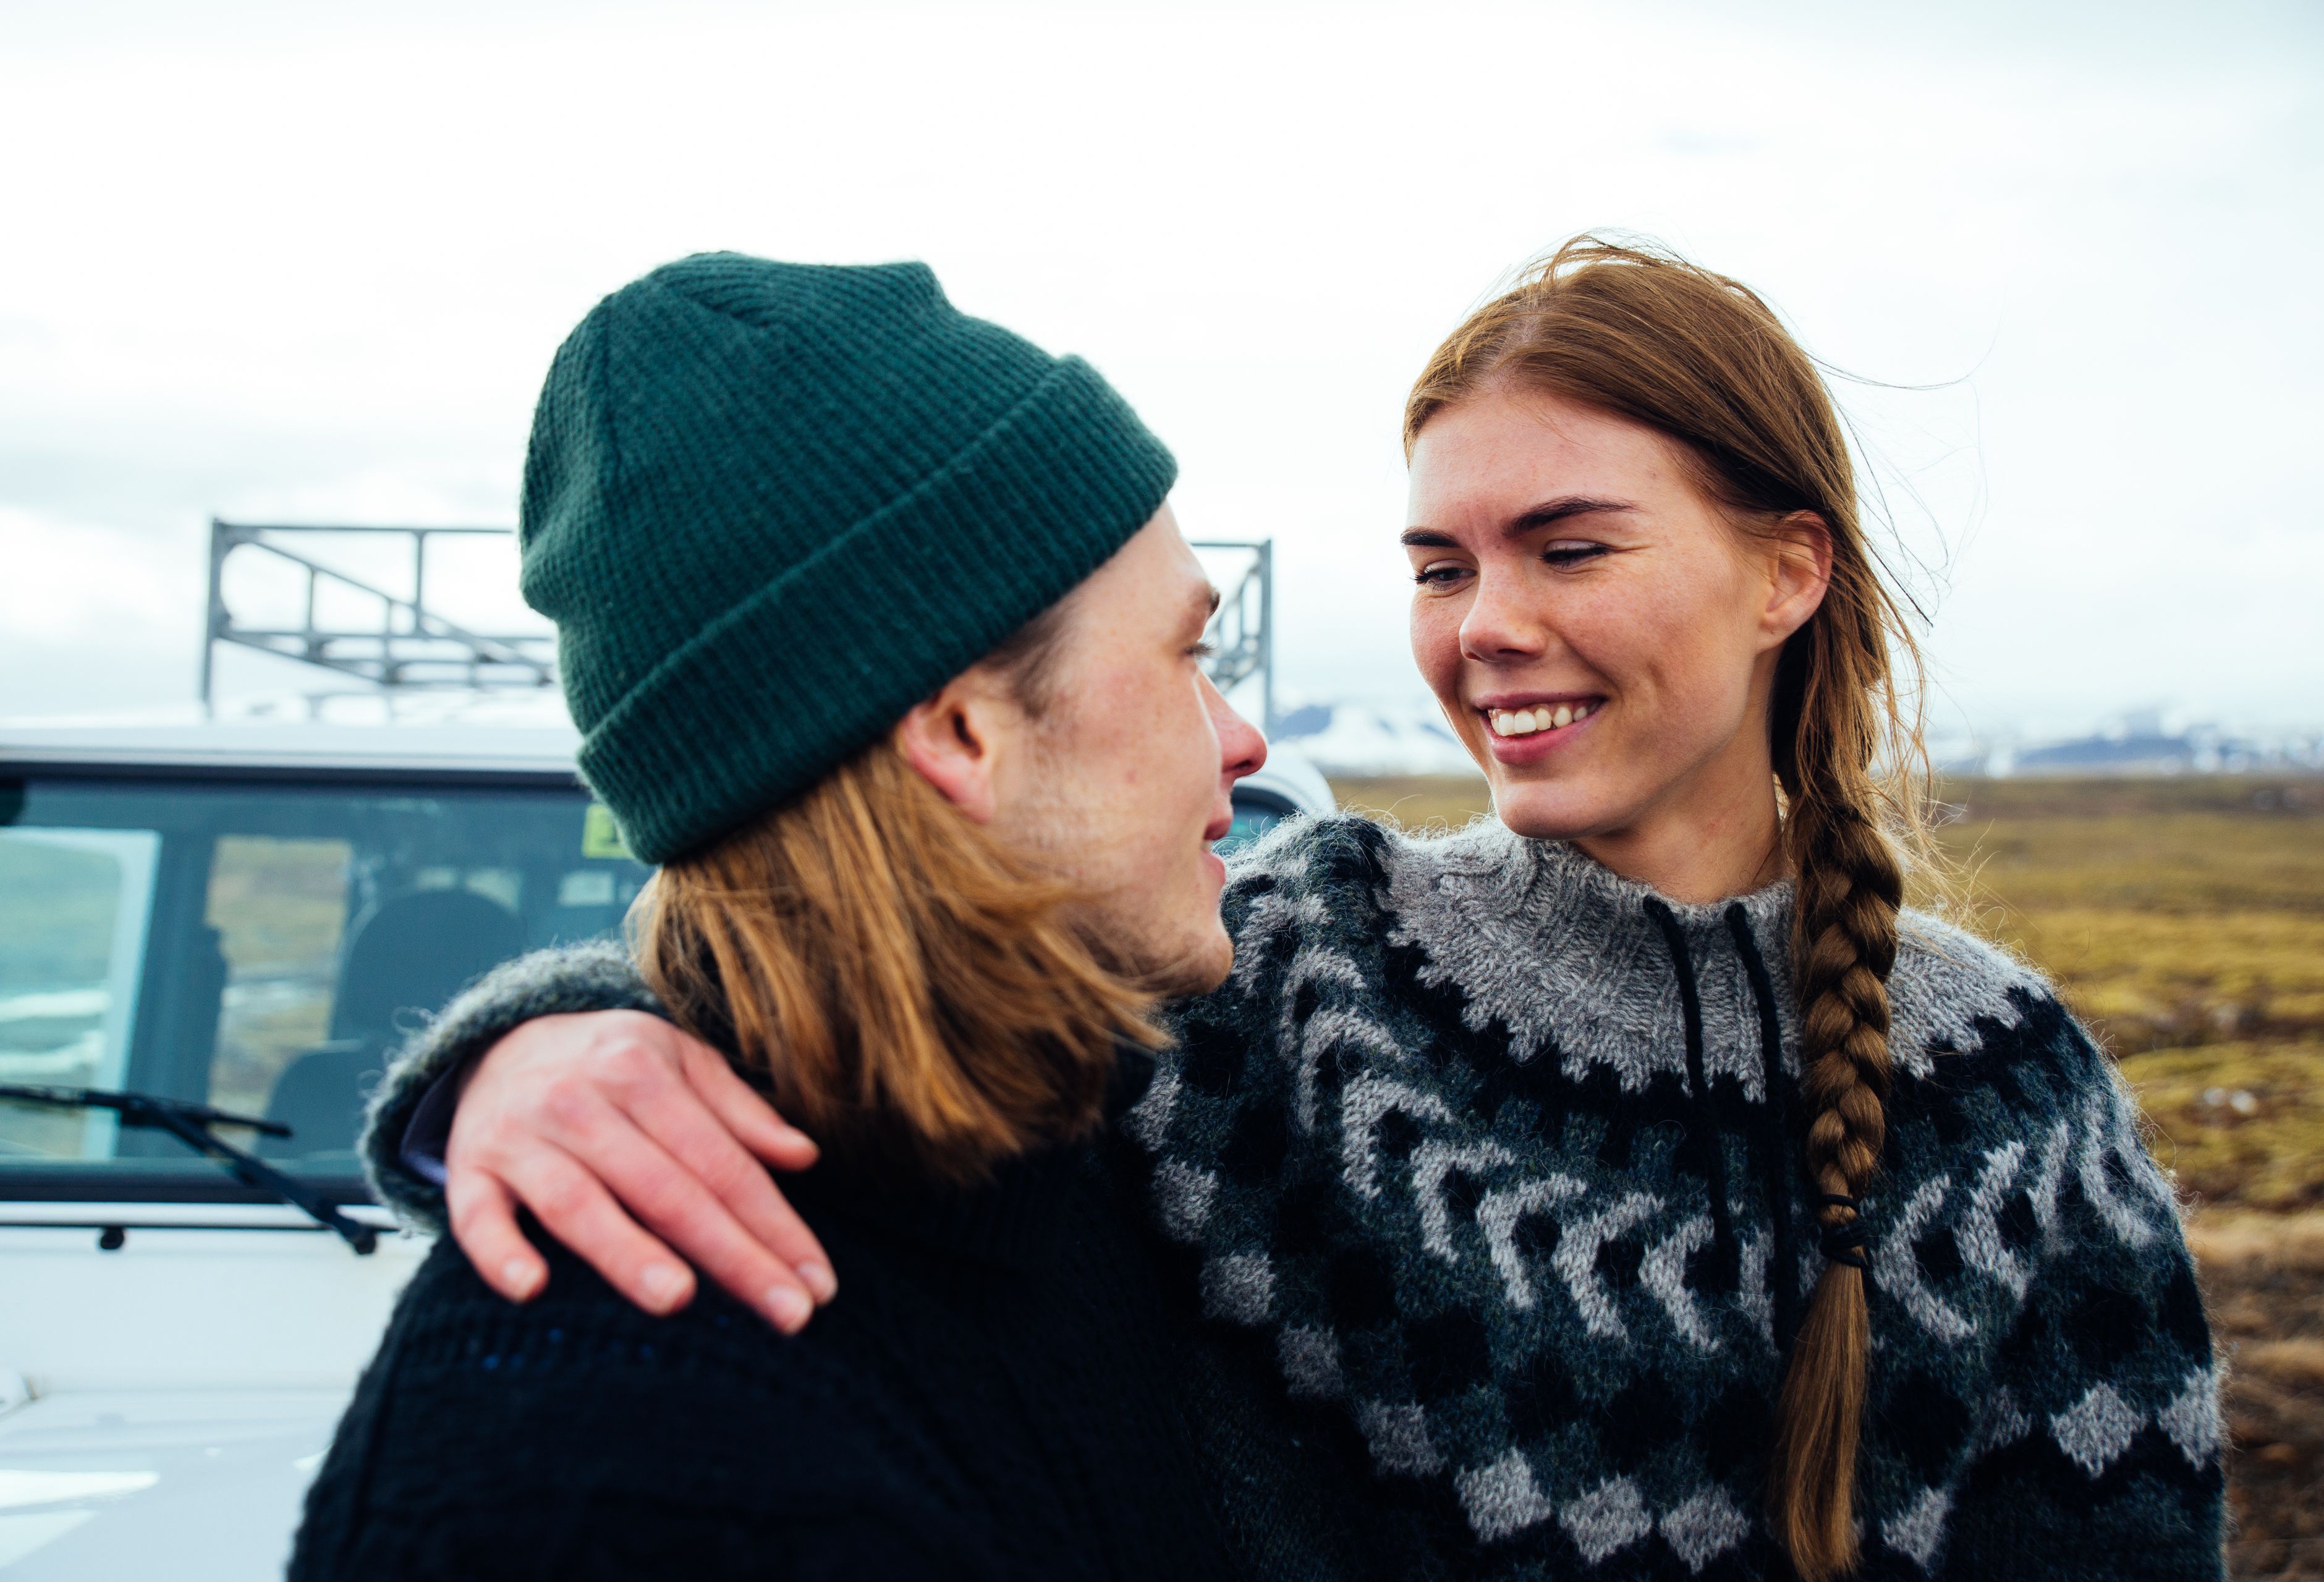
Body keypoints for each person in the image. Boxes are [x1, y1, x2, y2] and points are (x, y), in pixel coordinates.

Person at [362, 240, 2226, 1580]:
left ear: (1783, 574)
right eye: (1437, 563)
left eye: (1567, 546)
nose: (1484, 623)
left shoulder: (2001, 1101)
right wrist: (537, 1044)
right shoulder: (1292, 978)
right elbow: (885, 962)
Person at [290, 252, 1397, 1581]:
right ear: (962, 729)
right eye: (1185, 656)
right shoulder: (603, 1446)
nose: (1240, 736)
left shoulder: (1095, 1164)